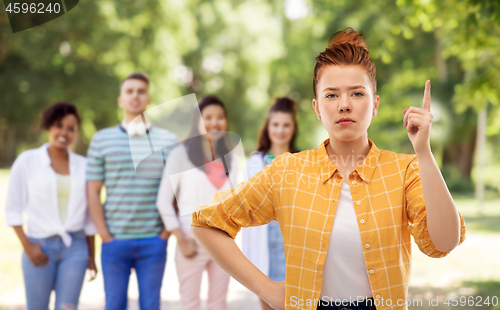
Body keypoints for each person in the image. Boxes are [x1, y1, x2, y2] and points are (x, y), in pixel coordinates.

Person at [190, 28, 467, 310]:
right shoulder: (287, 171)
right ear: (317, 108)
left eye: (357, 94)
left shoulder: (404, 170)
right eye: (331, 95)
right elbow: (207, 223)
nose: (344, 105)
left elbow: (444, 242)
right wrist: (269, 291)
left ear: (375, 105)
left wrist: (423, 152)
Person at [86, 72, 177, 310]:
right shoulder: (101, 140)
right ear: (121, 99)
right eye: (129, 91)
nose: (135, 96)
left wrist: (165, 234)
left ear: (148, 98)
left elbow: (177, 191)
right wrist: (105, 235)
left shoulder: (168, 140)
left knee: (151, 304)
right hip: (115, 241)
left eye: (140, 91)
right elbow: (93, 191)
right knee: (114, 304)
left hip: (153, 240)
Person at [5, 102, 98, 310]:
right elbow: (12, 208)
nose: (64, 132)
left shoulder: (84, 166)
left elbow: (89, 216)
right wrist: (27, 246)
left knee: (67, 307)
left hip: (75, 248)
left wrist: (91, 256)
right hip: (40, 246)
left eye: (71, 128)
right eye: (59, 125)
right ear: (48, 127)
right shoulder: (27, 161)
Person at [157, 95, 238, 310]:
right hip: (191, 242)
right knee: (190, 304)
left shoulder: (233, 159)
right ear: (197, 122)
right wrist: (181, 240)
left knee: (218, 305)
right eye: (208, 117)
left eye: (220, 117)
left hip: (224, 243)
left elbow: (238, 203)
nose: (215, 122)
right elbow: (163, 202)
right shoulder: (180, 155)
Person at [241, 97, 299, 310]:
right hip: (263, 243)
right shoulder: (254, 164)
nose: (280, 130)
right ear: (268, 127)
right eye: (275, 125)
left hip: (292, 245)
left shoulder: (301, 162)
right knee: (267, 302)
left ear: (293, 129)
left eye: (286, 125)